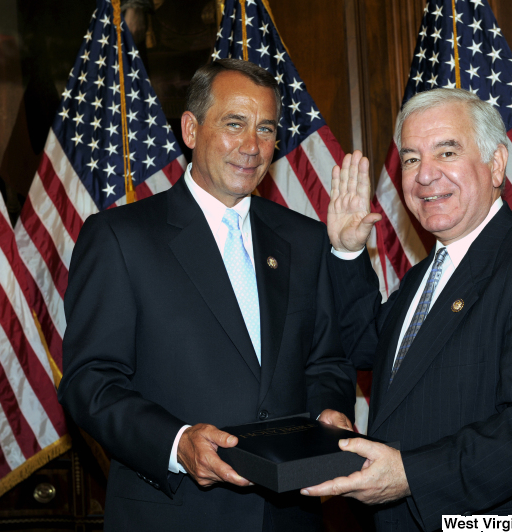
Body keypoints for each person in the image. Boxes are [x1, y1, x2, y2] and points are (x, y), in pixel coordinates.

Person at [58, 59, 356, 531]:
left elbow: (326, 363)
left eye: (266, 129)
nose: (252, 147)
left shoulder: (304, 240)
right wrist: (176, 443)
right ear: (191, 130)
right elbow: (90, 380)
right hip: (177, 514)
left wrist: (327, 413)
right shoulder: (121, 238)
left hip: (289, 517)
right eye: (234, 124)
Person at [302, 88, 512, 530]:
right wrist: (347, 252)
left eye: (446, 151)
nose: (425, 176)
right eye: (410, 159)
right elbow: (367, 345)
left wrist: (410, 475)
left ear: (496, 165)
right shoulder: (426, 276)